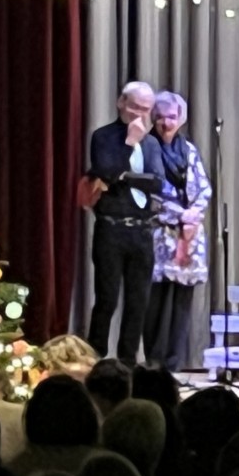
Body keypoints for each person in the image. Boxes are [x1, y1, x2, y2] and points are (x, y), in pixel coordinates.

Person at [86, 80, 166, 362]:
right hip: (112, 228)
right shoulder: (104, 137)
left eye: (146, 109)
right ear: (121, 103)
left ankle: (128, 362)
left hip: (142, 231)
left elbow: (158, 182)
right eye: (135, 107)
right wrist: (129, 143)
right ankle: (95, 358)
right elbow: (106, 173)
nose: (140, 115)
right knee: (107, 299)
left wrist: (127, 178)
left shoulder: (152, 143)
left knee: (138, 302)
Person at [142, 91, 211, 373]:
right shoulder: (147, 148)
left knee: (182, 303)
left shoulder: (189, 149)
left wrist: (193, 213)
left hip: (189, 236)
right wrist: (179, 214)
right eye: (160, 117)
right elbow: (149, 193)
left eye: (171, 117)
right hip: (161, 235)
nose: (166, 123)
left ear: (180, 119)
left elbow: (204, 187)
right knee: (156, 302)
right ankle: (154, 364)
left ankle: (174, 364)